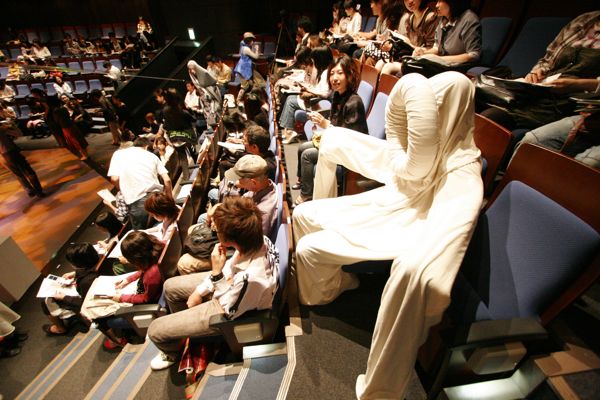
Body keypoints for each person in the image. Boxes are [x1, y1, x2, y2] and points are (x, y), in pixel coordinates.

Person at [292, 72, 483, 399]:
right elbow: (390, 158)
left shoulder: (464, 173)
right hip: (388, 204)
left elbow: (452, 227)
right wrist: (334, 136)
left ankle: (335, 288)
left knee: (309, 248)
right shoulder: (429, 145)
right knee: (303, 213)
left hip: (410, 228)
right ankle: (330, 283)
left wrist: (416, 263)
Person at [147, 196, 279, 370]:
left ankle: (173, 352)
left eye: (217, 230)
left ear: (230, 239)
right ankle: (188, 334)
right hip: (230, 288)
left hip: (229, 312)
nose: (214, 231)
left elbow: (229, 311)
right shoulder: (255, 239)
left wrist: (216, 274)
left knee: (155, 330)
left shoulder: (252, 278)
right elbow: (228, 271)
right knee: (170, 287)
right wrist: (199, 292)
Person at [481, 11, 600, 130]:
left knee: (490, 117)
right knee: (477, 99)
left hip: (573, 104)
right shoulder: (585, 19)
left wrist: (577, 84)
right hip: (541, 91)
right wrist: (537, 71)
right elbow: (549, 58)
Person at [294, 54, 368, 205]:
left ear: (349, 75)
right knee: (302, 147)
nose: (334, 78)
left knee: (307, 155)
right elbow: (335, 123)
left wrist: (325, 124)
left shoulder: (354, 102)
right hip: (337, 142)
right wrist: (322, 123)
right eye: (332, 73)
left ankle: (306, 195)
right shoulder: (338, 95)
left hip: (350, 150)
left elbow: (349, 136)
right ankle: (304, 182)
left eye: (340, 73)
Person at [98, 231, 164, 349]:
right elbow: (145, 268)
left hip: (150, 306)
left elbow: (146, 298)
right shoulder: (158, 250)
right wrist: (128, 279)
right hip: (153, 292)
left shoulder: (151, 275)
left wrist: (121, 298)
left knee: (109, 321)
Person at [107, 137, 173, 230]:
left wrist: (124, 190)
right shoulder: (151, 155)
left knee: (142, 235)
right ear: (146, 147)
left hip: (137, 201)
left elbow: (114, 179)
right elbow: (167, 180)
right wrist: (170, 200)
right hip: (157, 196)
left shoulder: (118, 154)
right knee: (168, 225)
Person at [41, 243, 99, 335]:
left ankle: (60, 328)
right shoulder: (99, 262)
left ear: (76, 264)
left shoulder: (86, 282)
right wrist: (75, 273)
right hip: (88, 291)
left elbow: (85, 302)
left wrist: (64, 297)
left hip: (85, 304)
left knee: (46, 300)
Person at [279, 46, 334, 144]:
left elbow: (325, 93)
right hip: (318, 99)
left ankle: (289, 131)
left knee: (290, 101)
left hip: (321, 103)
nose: (312, 61)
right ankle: (287, 130)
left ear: (320, 59)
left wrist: (309, 89)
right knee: (290, 97)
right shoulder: (324, 70)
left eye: (314, 59)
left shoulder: (326, 72)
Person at [411, 0, 481, 70]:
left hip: (461, 69)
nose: (436, 5)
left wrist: (440, 59)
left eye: (440, 1)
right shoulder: (443, 18)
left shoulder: (469, 19)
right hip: (444, 66)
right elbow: (438, 48)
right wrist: (423, 53)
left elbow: (474, 55)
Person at [375, 0, 438, 74]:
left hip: (422, 62)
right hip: (409, 57)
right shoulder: (410, 18)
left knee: (388, 67)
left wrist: (411, 45)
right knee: (380, 63)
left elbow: (432, 48)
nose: (410, 1)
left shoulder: (430, 17)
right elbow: (409, 46)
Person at [0, 104, 44, 197]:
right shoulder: (2, 127)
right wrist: (10, 126)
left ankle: (29, 189)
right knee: (28, 171)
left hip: (2, 156)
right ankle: (38, 191)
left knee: (18, 173)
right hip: (10, 151)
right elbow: (19, 133)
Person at [158, 88, 197, 181]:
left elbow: (164, 124)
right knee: (192, 152)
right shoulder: (181, 110)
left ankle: (187, 178)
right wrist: (190, 111)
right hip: (187, 135)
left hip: (174, 136)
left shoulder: (165, 110)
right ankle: (199, 166)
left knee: (182, 157)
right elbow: (193, 119)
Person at [187, 60, 222, 129]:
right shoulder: (195, 80)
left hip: (212, 98)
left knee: (215, 114)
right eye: (190, 69)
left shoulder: (205, 74)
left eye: (193, 69)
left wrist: (206, 95)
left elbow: (212, 86)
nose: (192, 71)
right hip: (205, 102)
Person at [54, 94, 89, 160]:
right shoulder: (63, 108)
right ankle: (85, 154)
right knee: (78, 139)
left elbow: (57, 120)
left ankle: (85, 155)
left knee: (76, 140)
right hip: (71, 124)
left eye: (65, 97)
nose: (64, 99)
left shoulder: (58, 110)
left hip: (69, 125)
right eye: (62, 98)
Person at [233, 32, 264, 104]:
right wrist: (257, 49)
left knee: (251, 84)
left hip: (243, 68)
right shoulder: (246, 48)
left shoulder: (243, 45)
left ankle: (251, 99)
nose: (253, 42)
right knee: (245, 86)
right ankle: (238, 100)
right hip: (243, 69)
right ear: (248, 40)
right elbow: (256, 57)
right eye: (251, 40)